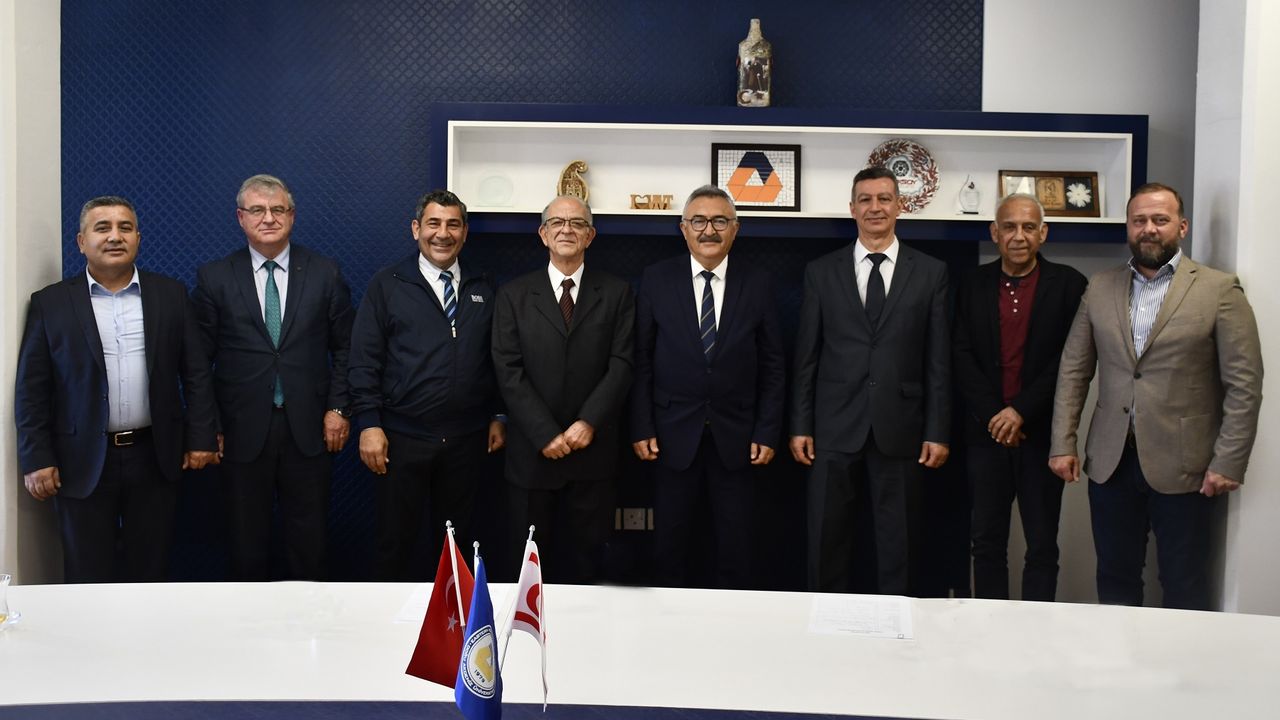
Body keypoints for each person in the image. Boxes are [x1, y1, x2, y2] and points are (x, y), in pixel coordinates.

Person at [1049, 182, 1263, 610]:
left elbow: (1244, 384)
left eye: (1160, 220)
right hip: (1111, 462)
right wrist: (1062, 443)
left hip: (1187, 465)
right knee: (1115, 577)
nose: (1149, 228)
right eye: (1139, 220)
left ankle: (1181, 657)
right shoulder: (1100, 287)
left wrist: (1228, 461)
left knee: (1183, 582)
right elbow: (1073, 370)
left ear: (1181, 227)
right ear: (1128, 227)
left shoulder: (1219, 290)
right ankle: (1120, 653)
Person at [15, 196, 218, 582]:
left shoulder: (170, 295)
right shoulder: (50, 303)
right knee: (85, 573)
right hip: (80, 459)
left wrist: (202, 436)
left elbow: (196, 374)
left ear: (138, 238)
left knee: (151, 571)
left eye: (125, 228)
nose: (114, 236)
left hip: (154, 455)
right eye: (102, 228)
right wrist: (35, 456)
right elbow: (32, 389)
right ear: (81, 242)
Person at [789, 166, 950, 595]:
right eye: (865, 199)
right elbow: (806, 357)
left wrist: (937, 430)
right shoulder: (821, 272)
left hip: (901, 426)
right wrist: (800, 424)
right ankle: (825, 621)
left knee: (900, 544)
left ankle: (898, 625)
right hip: (833, 426)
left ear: (899, 206)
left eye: (883, 199)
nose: (874, 207)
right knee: (826, 539)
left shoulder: (931, 272)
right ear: (852, 208)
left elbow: (938, 361)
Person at [192, 174, 354, 581]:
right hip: (240, 431)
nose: (268, 218)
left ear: (292, 216)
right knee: (245, 545)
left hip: (310, 429)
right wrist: (209, 426)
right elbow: (197, 362)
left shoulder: (325, 272)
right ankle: (249, 621)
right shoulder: (215, 277)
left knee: (310, 544)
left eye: (277, 209)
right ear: (241, 218)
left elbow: (347, 348)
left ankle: (310, 619)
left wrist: (338, 408)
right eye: (257, 210)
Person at [630, 185, 786, 588]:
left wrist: (767, 430)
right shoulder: (656, 279)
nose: (709, 230)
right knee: (669, 547)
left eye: (719, 221)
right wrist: (642, 426)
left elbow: (773, 365)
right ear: (683, 228)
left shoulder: (759, 282)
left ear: (735, 228)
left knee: (737, 547)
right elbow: (641, 359)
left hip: (740, 439)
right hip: (669, 436)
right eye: (698, 221)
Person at [347, 190, 505, 581]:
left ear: (465, 232)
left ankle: (457, 617)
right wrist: (369, 424)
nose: (443, 234)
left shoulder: (485, 285)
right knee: (395, 542)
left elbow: (499, 358)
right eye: (434, 223)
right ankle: (390, 617)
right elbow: (364, 360)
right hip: (402, 438)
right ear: (416, 228)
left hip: (467, 440)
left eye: (453, 224)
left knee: (459, 545)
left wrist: (499, 414)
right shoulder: (388, 285)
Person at [492, 195, 634, 584]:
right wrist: (544, 433)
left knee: (588, 570)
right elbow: (507, 369)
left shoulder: (618, 293)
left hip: (593, 455)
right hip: (532, 457)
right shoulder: (513, 295)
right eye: (557, 222)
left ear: (591, 235)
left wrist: (589, 422)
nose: (567, 230)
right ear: (543, 234)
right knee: (527, 574)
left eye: (577, 223)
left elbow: (622, 363)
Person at [953, 193, 1087, 601]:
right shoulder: (969, 284)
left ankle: (1037, 630)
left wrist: (1020, 411)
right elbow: (959, 353)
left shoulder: (1070, 285)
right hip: (985, 435)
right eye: (1009, 227)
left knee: (1042, 547)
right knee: (985, 544)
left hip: (1042, 436)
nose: (1018, 236)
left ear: (1043, 233)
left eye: (1029, 227)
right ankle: (989, 626)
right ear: (994, 233)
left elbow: (1070, 360)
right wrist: (996, 414)